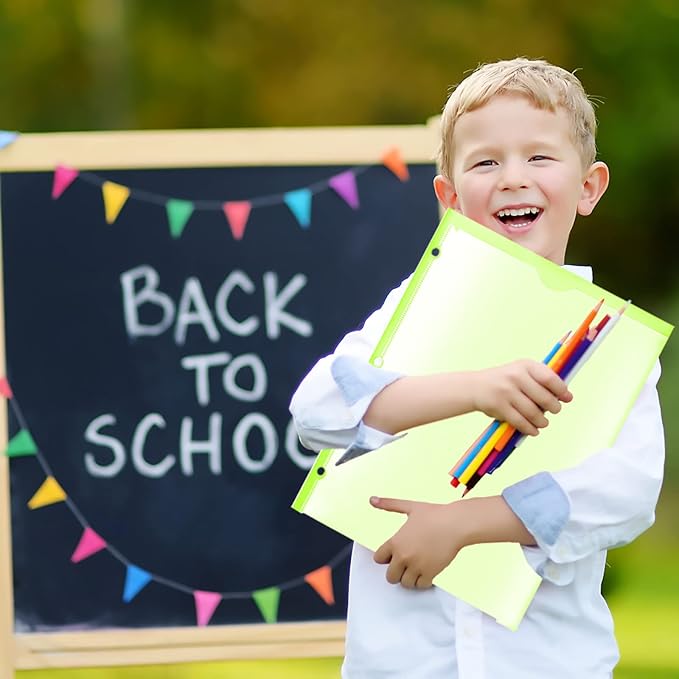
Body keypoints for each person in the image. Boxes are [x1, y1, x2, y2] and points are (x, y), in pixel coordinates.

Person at [289, 58, 665, 679]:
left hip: (546, 663)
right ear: (450, 199)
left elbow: (625, 491)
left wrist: (462, 525)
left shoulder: (610, 340)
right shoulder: (411, 312)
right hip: (402, 663)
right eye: (486, 162)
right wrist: (474, 390)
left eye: (539, 157)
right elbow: (317, 408)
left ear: (589, 187)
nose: (513, 178)